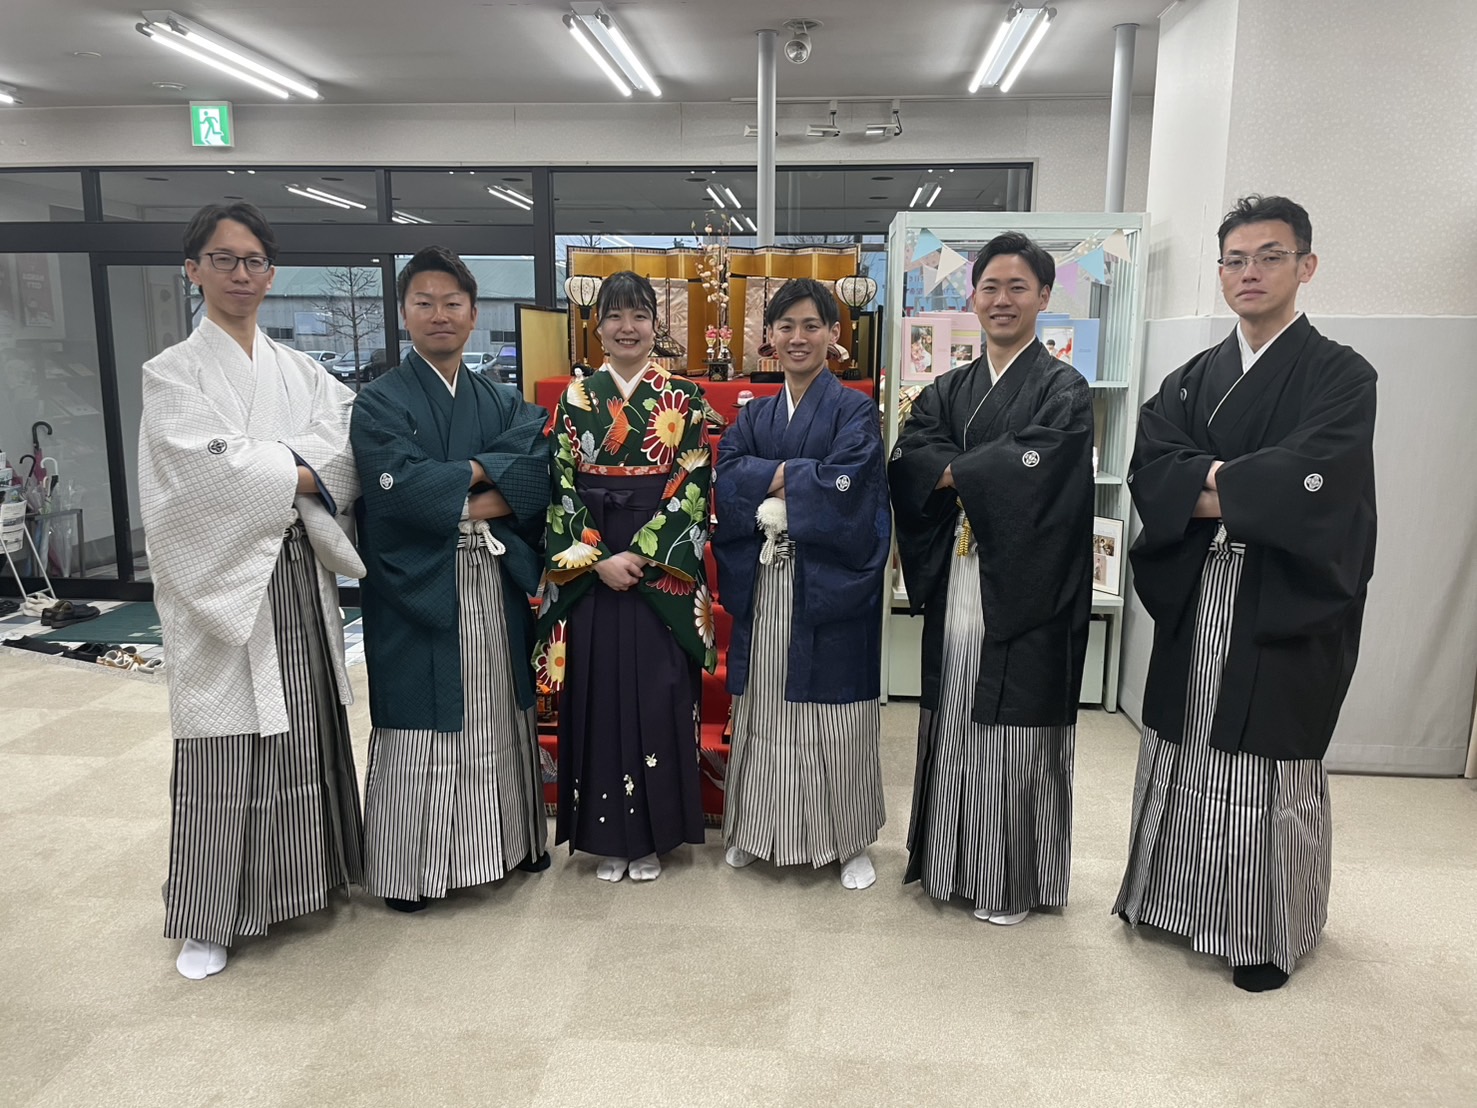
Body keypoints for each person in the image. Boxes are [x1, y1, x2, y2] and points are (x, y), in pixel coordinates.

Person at [1114, 195, 1377, 992]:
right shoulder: (1190, 379)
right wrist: (1241, 487)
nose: (1249, 272)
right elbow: (1151, 473)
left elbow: (1314, 482)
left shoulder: (1341, 375)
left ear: (1305, 265)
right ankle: (1171, 901)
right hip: (1200, 588)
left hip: (1280, 595)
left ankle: (1260, 930)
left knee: (1264, 761)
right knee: (1184, 739)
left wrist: (1208, 484)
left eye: (1269, 256)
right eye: (1234, 259)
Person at [138, 202, 365, 980]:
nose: (241, 274)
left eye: (254, 261)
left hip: (295, 573)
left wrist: (261, 462)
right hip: (225, 582)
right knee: (225, 741)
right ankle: (210, 916)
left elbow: (342, 449)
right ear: (193, 269)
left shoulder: (301, 371)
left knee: (303, 725)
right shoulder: (171, 373)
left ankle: (305, 883)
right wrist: (292, 468)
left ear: (271, 273)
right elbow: (195, 473)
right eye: (224, 259)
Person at [889, 231, 1095, 925]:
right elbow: (911, 456)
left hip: (1026, 583)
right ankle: (948, 863)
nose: (1001, 300)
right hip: (957, 574)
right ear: (971, 296)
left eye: (1017, 287)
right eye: (989, 287)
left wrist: (958, 471)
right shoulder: (947, 388)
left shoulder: (1063, 389)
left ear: (1044, 295)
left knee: (1014, 728)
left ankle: (1008, 877)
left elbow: (1046, 470)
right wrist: (989, 467)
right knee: (952, 708)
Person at [351, 247, 551, 913]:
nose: (439, 314)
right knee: (423, 717)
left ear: (472, 313)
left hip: (491, 575)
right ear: (404, 313)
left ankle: (507, 844)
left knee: (496, 704)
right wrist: (483, 474)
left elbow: (535, 469)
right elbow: (394, 490)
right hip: (417, 581)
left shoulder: (502, 398)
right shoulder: (377, 402)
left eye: (452, 303)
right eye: (424, 303)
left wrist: (454, 487)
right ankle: (414, 870)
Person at [536, 271, 714, 883]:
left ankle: (655, 836)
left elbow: (693, 480)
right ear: (598, 327)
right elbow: (559, 484)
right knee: (598, 693)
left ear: (655, 325)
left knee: (660, 691)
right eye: (614, 316)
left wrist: (641, 554)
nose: (627, 327)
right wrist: (597, 558)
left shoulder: (683, 397)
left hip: (658, 568)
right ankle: (608, 835)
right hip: (594, 564)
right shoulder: (574, 399)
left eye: (639, 315)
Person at [714, 278, 890, 889]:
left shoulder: (854, 410)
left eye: (811, 325)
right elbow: (727, 473)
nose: (797, 337)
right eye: (785, 326)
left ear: (833, 335)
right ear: (769, 336)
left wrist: (772, 478)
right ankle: (756, 827)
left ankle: (848, 839)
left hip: (828, 582)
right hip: (769, 581)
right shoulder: (756, 413)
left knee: (834, 714)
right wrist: (802, 473)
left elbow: (854, 481)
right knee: (765, 703)